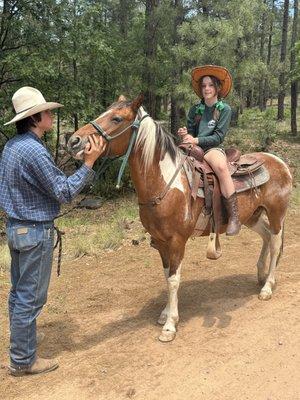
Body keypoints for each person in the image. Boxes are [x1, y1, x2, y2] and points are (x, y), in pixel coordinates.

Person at [0, 86, 106, 376]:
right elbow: (64, 192)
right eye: (46, 112)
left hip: (16, 229)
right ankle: (23, 360)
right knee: (30, 297)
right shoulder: (33, 150)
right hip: (34, 233)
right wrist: (89, 163)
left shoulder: (13, 146)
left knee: (18, 293)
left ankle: (24, 342)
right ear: (35, 118)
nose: (49, 114)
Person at [178, 65, 241, 236]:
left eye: (211, 85)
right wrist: (186, 134)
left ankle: (234, 217)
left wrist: (196, 139)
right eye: (204, 85)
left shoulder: (224, 109)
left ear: (218, 88)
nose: (207, 88)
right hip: (193, 148)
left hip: (212, 148)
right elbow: (191, 132)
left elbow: (218, 136)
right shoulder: (195, 110)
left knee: (221, 168)